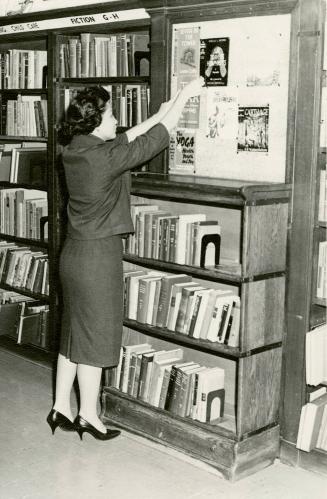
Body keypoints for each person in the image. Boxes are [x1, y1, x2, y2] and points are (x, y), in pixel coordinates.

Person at [47, 77, 204, 440]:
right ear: (97, 120)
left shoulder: (76, 149)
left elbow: (128, 137)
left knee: (73, 333)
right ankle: (88, 415)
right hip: (98, 257)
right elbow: (155, 138)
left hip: (72, 254)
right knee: (95, 340)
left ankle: (59, 406)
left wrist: (158, 113)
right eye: (111, 113)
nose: (116, 118)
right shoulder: (104, 158)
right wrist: (184, 97)